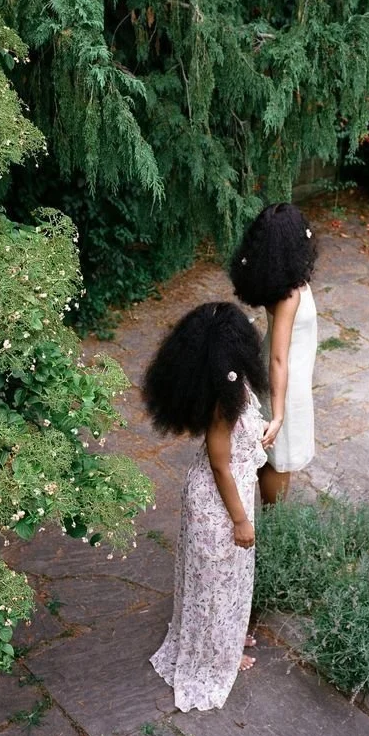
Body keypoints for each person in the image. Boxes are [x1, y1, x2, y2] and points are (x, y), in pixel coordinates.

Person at [143, 301, 268, 712]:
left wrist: (259, 436)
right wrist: (240, 520)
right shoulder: (222, 401)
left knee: (224, 586)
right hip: (219, 506)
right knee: (216, 588)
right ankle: (215, 662)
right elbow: (219, 463)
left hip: (227, 495)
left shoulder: (231, 382)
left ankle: (225, 643)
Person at [229, 202, 317, 505]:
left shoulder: (277, 280)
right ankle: (273, 521)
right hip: (285, 382)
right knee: (279, 457)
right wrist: (279, 414)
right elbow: (279, 358)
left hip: (287, 374)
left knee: (273, 454)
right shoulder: (289, 294)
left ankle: (269, 519)